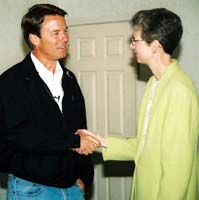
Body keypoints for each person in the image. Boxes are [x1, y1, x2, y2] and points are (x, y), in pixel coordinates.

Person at [76, 8, 199, 200]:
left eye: (136, 40)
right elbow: (144, 147)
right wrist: (100, 142)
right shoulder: (154, 84)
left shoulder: (179, 90)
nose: (132, 46)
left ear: (155, 45)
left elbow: (177, 170)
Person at [0, 4, 100, 200]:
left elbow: (80, 129)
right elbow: (19, 136)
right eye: (56, 33)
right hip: (32, 190)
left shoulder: (69, 79)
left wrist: (85, 178)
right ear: (34, 39)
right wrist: (73, 141)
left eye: (65, 31)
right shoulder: (11, 82)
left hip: (73, 189)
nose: (65, 38)